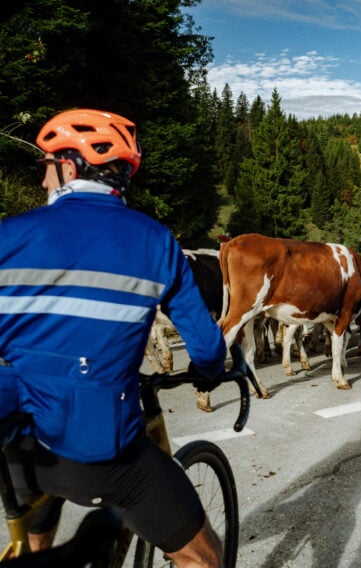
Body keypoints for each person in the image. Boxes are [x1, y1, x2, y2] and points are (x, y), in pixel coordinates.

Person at [0, 109, 227, 567]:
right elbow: (205, 347)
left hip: (17, 450)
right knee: (204, 558)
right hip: (102, 456)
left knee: (34, 526)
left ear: (67, 167)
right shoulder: (156, 242)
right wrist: (208, 372)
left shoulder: (7, 236)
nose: (44, 181)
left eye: (46, 167)